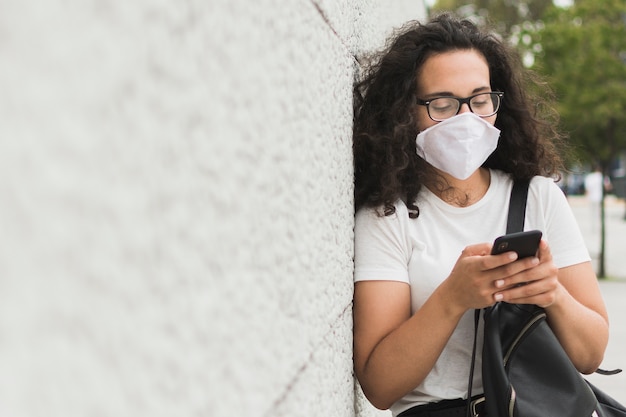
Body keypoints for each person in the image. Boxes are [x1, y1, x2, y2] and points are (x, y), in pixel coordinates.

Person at [352, 13, 609, 417]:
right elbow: (379, 387)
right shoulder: (388, 215)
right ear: (404, 112)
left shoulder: (538, 197)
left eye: (480, 99)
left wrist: (552, 294)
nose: (467, 119)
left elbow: (591, 354)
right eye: (442, 104)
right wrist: (452, 298)